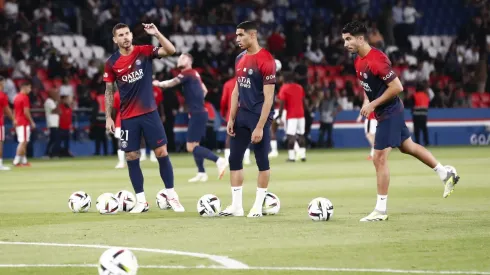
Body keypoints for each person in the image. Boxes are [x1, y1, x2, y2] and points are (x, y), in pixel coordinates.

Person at [341, 21, 460, 222]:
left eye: (348, 39)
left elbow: (397, 87)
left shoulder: (376, 60)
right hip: (383, 111)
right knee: (408, 147)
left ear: (361, 39)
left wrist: (372, 104)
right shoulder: (358, 60)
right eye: (344, 39)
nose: (345, 44)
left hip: (390, 111)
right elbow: (369, 86)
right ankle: (445, 172)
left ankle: (380, 210)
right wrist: (368, 101)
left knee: (379, 158)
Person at [104, 22, 184, 213]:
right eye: (120, 35)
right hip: (128, 116)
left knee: (161, 153)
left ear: (131, 35)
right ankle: (141, 201)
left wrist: (156, 33)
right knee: (132, 156)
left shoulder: (144, 51)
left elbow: (171, 50)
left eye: (127, 33)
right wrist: (109, 117)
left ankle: (171, 195)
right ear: (115, 40)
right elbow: (108, 91)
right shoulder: (111, 63)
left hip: (149, 112)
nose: (125, 37)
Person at [219, 21, 276, 218]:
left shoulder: (266, 60)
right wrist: (231, 117)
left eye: (240, 35)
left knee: (262, 161)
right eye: (236, 35)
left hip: (258, 116)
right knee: (234, 159)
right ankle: (236, 206)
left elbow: (269, 98)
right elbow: (236, 90)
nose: (237, 39)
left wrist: (260, 127)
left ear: (252, 35)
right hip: (241, 116)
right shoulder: (240, 58)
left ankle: (258, 206)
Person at [153, 53, 228, 183]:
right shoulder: (194, 74)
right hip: (198, 112)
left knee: (190, 147)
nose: (180, 59)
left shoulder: (187, 73)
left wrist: (158, 83)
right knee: (195, 144)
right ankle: (201, 172)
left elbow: (172, 83)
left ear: (189, 61)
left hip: (197, 113)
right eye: (179, 57)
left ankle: (219, 160)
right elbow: (204, 90)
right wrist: (196, 102)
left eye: (183, 57)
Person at [220, 76, 251, 165]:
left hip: (231, 113)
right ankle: (246, 159)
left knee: (230, 136)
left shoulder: (228, 84)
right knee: (246, 135)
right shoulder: (248, 82)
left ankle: (227, 159)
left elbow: (223, 100)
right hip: (246, 113)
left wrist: (223, 113)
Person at [276, 79, 306, 162]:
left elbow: (282, 102)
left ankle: (291, 157)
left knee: (290, 136)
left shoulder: (284, 88)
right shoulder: (300, 87)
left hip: (291, 115)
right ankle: (303, 155)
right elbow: (303, 100)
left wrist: (280, 114)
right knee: (301, 135)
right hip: (301, 114)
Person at [13, 81, 35, 167]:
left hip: (18, 122)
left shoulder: (16, 97)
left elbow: (14, 110)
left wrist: (14, 120)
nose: (30, 89)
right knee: (23, 142)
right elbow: (26, 112)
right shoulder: (25, 97)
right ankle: (16, 161)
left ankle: (24, 161)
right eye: (29, 87)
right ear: (24, 87)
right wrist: (32, 122)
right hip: (23, 122)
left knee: (23, 141)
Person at [0, 76, 15, 170]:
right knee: (0, 142)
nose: (5, 84)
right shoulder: (2, 95)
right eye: (4, 82)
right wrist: (14, 119)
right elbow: (7, 110)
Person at [357, 92, 377, 159]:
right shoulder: (375, 91)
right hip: (374, 118)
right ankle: (373, 153)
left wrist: (360, 117)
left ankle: (374, 152)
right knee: (372, 136)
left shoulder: (367, 92)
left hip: (370, 118)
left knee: (369, 135)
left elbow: (365, 104)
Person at [44, 89, 60, 158]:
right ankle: (48, 153)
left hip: (55, 123)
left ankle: (51, 153)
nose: (56, 95)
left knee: (54, 139)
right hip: (52, 123)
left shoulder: (53, 102)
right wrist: (58, 101)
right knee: (53, 139)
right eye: (55, 93)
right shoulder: (49, 101)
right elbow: (55, 110)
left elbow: (59, 112)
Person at [113, 90, 125, 168]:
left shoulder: (117, 94)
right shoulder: (135, 90)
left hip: (121, 120)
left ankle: (122, 162)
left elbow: (115, 109)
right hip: (132, 119)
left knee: (120, 142)